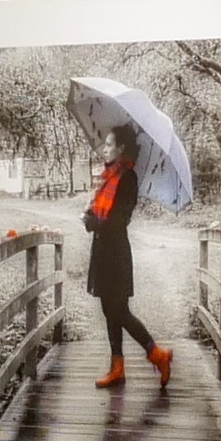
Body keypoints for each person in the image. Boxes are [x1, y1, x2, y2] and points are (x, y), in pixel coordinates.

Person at [86, 130, 171, 391]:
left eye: (109, 144)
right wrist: (90, 213)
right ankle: (117, 367)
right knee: (108, 310)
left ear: (121, 147)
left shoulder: (128, 179)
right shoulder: (108, 178)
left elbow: (118, 221)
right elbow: (101, 212)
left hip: (116, 253)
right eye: (105, 144)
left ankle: (156, 354)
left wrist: (92, 222)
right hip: (102, 251)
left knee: (118, 310)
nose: (104, 149)